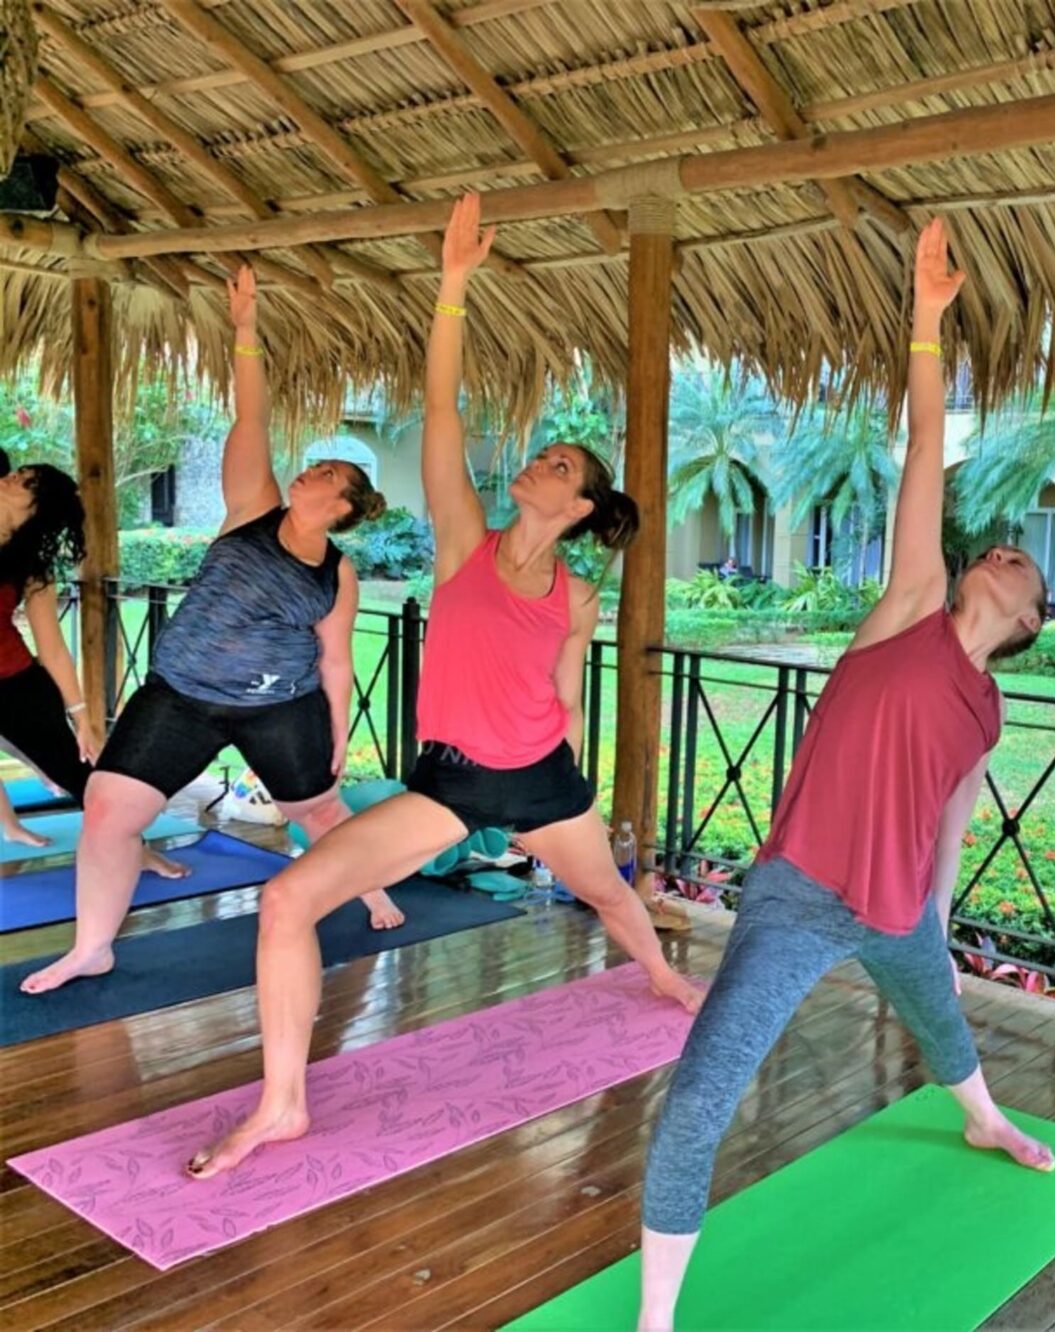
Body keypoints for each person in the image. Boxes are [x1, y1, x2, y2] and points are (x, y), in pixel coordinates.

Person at [184, 194, 702, 1177]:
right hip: (453, 781)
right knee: (290, 901)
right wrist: (453, 286)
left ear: (581, 505)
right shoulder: (468, 541)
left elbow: (567, 686)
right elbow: (443, 415)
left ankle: (665, 978)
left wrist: (575, 769)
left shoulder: (577, 592)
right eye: (543, 453)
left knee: (611, 896)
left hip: (542, 776)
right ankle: (282, 1105)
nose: (539, 463)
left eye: (557, 464)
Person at [636, 218, 1055, 1332]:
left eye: (1021, 560)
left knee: (942, 1017)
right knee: (701, 1098)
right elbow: (925, 454)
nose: (1003, 548)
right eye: (1001, 546)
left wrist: (940, 917)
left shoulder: (989, 707)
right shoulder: (914, 603)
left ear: (1028, 619)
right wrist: (926, 322)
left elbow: (950, 814)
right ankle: (654, 1320)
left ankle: (980, 1116)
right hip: (803, 895)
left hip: (900, 903)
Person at [21, 268, 398, 995]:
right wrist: (246, 331)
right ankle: (92, 946)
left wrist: (340, 733)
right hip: (181, 696)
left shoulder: (336, 575)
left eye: (323, 472)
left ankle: (371, 887)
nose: (307, 472)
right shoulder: (252, 506)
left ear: (343, 504)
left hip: (277, 706)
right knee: (105, 808)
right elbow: (249, 421)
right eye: (312, 464)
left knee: (315, 810)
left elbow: (336, 661)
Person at [0, 456, 184, 877]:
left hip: (13, 683)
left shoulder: (31, 568)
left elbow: (53, 648)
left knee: (83, 776)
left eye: (27, 482)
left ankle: (136, 849)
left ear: (36, 509)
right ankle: (9, 826)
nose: (14, 476)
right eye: (19, 472)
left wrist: (81, 716)